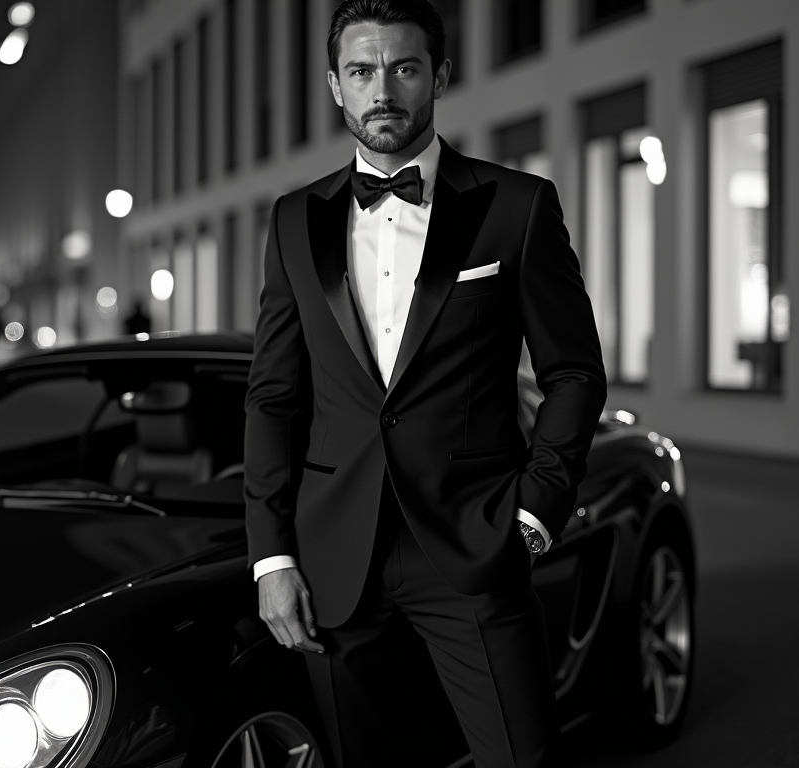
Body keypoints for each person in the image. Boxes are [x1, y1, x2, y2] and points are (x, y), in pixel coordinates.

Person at [243, 1, 606, 766]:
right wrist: (272, 559)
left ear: (439, 76)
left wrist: (537, 509)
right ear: (336, 86)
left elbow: (573, 371)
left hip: (475, 546)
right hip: (335, 562)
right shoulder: (292, 221)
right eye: (361, 71)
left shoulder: (516, 206)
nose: (383, 90)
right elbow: (275, 397)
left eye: (404, 68)